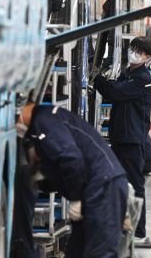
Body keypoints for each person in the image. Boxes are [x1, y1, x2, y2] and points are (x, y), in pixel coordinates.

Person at [13, 103, 128, 258]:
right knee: (76, 251)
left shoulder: (43, 120)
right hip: (94, 188)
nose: (16, 127)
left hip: (103, 187)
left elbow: (70, 158)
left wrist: (76, 198)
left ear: (21, 111)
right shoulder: (45, 122)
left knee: (99, 252)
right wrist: (42, 182)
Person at [93, 36, 151, 241]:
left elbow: (115, 93)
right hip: (120, 137)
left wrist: (97, 77)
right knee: (120, 183)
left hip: (132, 140)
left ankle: (139, 231)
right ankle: (123, 227)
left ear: (147, 57)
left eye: (139, 51)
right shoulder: (128, 73)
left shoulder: (142, 78)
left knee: (135, 184)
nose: (133, 52)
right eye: (133, 48)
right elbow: (112, 92)